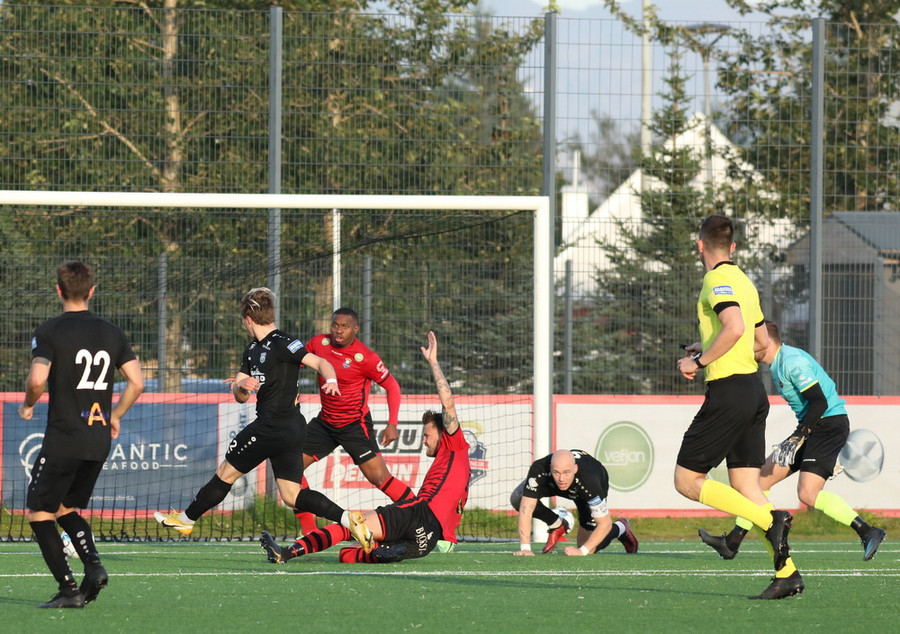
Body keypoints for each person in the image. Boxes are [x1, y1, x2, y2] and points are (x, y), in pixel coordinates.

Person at [259, 330, 470, 564]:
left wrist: (434, 363)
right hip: (426, 541)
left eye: (427, 435)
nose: (424, 441)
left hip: (415, 514)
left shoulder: (455, 444)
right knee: (347, 555)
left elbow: (447, 403)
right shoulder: (456, 469)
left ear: (444, 432)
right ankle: (386, 549)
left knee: (350, 524)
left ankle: (287, 552)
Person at [675, 215, 802, 600]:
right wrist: (707, 344)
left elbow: (733, 328)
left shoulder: (715, 279)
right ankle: (787, 574)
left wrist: (697, 362)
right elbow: (760, 343)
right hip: (752, 390)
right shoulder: (745, 281)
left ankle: (771, 519)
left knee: (687, 481)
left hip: (729, 393)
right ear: (732, 247)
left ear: (700, 246)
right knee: (747, 487)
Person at [154, 288, 343, 538]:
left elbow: (320, 362)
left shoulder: (284, 342)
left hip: (270, 427)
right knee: (291, 495)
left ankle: (186, 520)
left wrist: (331, 379)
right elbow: (239, 394)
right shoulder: (252, 349)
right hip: (291, 430)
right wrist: (242, 385)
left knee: (226, 472)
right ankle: (349, 519)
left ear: (248, 319)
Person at [698, 320, 887, 561]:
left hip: (828, 426)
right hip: (812, 427)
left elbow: (819, 402)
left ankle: (868, 531)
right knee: (758, 481)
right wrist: (703, 349)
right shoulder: (779, 363)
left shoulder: (791, 362)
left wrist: (801, 434)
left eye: (751, 342)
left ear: (765, 341)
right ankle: (732, 542)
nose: (746, 347)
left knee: (807, 494)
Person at [20, 261, 144, 609]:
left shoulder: (50, 331)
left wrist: (28, 404)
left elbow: (37, 380)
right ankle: (93, 565)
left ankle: (69, 589)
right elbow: (137, 383)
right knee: (65, 507)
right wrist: (114, 415)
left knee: (39, 512)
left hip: (65, 436)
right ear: (92, 291)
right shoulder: (112, 332)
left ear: (58, 290)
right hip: (98, 438)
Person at [293, 308, 413, 533]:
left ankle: (419, 516)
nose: (338, 330)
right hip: (325, 423)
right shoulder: (319, 343)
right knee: (290, 467)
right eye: (335, 325)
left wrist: (392, 424)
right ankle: (309, 532)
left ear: (355, 329)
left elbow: (392, 386)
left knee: (379, 478)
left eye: (345, 327)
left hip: (355, 426)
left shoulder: (366, 357)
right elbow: (293, 363)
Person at [510, 449, 638, 556]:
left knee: (588, 547)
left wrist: (582, 551)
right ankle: (557, 524)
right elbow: (525, 509)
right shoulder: (539, 469)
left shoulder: (590, 483)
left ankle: (621, 527)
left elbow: (605, 524)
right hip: (554, 484)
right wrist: (525, 548)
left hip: (584, 487)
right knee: (518, 498)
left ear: (575, 469)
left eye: (567, 472)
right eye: (556, 472)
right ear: (550, 468)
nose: (561, 479)